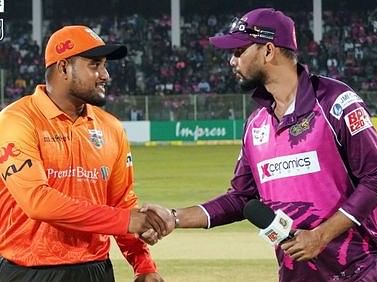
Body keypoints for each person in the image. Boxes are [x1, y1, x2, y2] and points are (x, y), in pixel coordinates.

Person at [143, 8, 377, 282]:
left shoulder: (335, 101)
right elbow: (241, 198)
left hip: (362, 270)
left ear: (268, 50)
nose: (232, 61)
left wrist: (320, 236)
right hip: (296, 275)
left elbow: (374, 176)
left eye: (239, 51)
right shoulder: (255, 125)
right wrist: (174, 217)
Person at [0, 25, 168, 282]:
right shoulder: (16, 120)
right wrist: (124, 220)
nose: (105, 75)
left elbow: (121, 202)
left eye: (104, 65)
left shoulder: (110, 127)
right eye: (95, 65)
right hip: (26, 272)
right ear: (64, 67)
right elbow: (38, 201)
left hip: (96, 271)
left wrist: (143, 264)